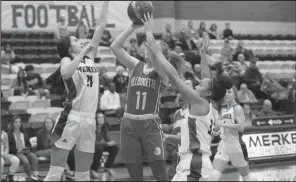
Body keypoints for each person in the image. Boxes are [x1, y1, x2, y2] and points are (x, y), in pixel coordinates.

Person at [145, 21, 233, 181]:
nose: (199, 82)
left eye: (200, 84)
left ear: (207, 92)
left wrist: (158, 53)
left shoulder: (200, 103)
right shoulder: (210, 104)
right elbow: (207, 78)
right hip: (193, 162)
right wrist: (203, 54)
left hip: (194, 164)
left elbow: (174, 76)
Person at [43, 2, 109, 181]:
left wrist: (106, 2)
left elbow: (101, 26)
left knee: (83, 175)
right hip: (71, 118)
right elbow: (65, 73)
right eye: (74, 40)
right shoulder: (66, 60)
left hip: (89, 119)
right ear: (70, 49)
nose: (79, 40)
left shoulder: (89, 57)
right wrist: (82, 53)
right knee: (56, 173)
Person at [110, 13, 173, 181]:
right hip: (129, 124)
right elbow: (114, 47)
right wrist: (133, 26)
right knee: (135, 176)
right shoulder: (135, 65)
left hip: (150, 125)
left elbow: (159, 62)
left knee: (161, 175)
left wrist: (149, 32)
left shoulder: (163, 73)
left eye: (152, 47)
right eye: (147, 46)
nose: (147, 48)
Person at [210, 87, 251, 181]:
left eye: (229, 92)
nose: (226, 94)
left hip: (236, 145)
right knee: (213, 175)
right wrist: (218, 131)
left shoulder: (237, 108)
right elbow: (225, 126)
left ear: (235, 95)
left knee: (246, 177)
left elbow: (241, 127)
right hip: (224, 144)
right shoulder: (224, 109)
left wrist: (223, 124)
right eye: (225, 92)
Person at [163, 80, 192, 180]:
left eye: (187, 87)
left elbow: (186, 138)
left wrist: (166, 137)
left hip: (192, 156)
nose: (184, 90)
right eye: (182, 87)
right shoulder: (177, 113)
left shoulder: (196, 112)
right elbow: (175, 131)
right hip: (178, 155)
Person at [7, 115, 39, 180]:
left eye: (19, 122)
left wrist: (28, 149)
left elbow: (29, 145)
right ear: (12, 123)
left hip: (25, 151)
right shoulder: (9, 134)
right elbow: (8, 147)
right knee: (25, 160)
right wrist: (17, 150)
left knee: (34, 157)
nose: (17, 124)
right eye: (16, 122)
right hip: (17, 152)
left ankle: (36, 174)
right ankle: (30, 175)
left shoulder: (24, 133)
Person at [90, 113, 119, 180]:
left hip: (99, 146)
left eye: (102, 117)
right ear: (95, 119)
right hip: (90, 145)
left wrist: (110, 143)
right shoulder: (92, 127)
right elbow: (92, 141)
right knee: (99, 148)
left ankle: (108, 167)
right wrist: (106, 144)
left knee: (115, 147)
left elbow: (106, 138)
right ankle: (93, 169)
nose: (101, 119)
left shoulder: (104, 126)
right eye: (99, 117)